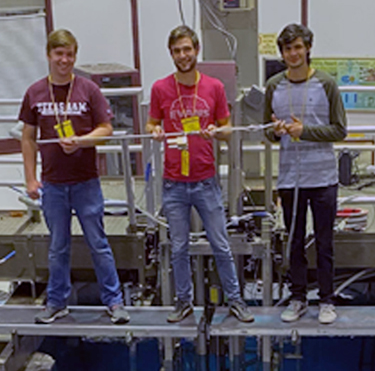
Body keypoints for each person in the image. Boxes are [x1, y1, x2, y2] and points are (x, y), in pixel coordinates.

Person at [19, 29, 130, 325]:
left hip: (86, 182)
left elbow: (106, 129)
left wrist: (82, 140)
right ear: (49, 55)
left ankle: (114, 301)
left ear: (75, 56)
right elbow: (28, 139)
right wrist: (31, 179)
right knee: (57, 246)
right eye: (59, 54)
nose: (64, 60)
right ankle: (57, 302)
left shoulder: (88, 90)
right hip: (53, 184)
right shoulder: (35, 93)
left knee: (98, 242)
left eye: (69, 54)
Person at [146, 26, 254, 324]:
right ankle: (183, 302)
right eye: (177, 51)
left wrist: (218, 132)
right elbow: (151, 123)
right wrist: (154, 130)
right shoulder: (160, 89)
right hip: (173, 183)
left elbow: (228, 129)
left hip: (206, 182)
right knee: (178, 247)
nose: (183, 55)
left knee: (221, 244)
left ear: (196, 50)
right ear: (171, 54)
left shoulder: (214, 88)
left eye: (187, 49)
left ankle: (235, 300)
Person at [263, 24, 347, 324]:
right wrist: (276, 132)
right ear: (282, 53)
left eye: (298, 47)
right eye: (287, 49)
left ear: (308, 47)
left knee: (325, 243)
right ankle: (298, 297)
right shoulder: (273, 86)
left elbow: (340, 130)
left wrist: (304, 131)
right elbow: (268, 134)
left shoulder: (326, 84)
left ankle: (326, 299)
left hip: (323, 178)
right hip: (290, 180)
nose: (293, 53)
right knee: (293, 242)